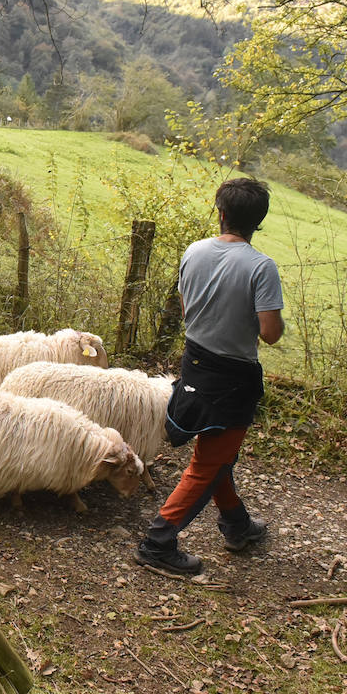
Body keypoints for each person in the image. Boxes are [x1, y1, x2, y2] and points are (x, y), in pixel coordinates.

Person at [134, 177, 284, 575]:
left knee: (218, 456)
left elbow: (187, 310)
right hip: (234, 378)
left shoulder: (194, 251)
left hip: (194, 364)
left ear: (221, 213)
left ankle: (237, 526)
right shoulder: (261, 267)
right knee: (210, 464)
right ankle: (157, 542)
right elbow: (269, 333)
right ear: (259, 222)